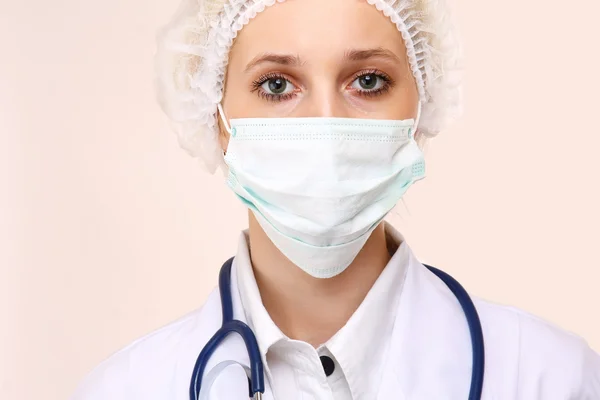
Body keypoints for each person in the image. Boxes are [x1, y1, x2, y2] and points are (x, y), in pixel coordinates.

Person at [71, 0, 600, 399]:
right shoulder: (124, 389)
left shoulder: (551, 377)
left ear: (420, 108)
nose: (326, 123)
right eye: (277, 85)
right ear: (217, 117)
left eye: (368, 81)